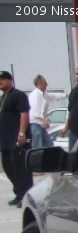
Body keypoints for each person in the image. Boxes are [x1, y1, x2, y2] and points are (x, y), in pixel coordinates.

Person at [0, 70, 33, 207]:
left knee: (21, 169)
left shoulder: (18, 95)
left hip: (17, 139)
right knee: (9, 168)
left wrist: (21, 133)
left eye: (3, 79)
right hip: (5, 141)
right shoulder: (3, 97)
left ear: (10, 80)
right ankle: (19, 193)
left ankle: (25, 196)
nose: (1, 82)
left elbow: (24, 114)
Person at [28, 74, 54, 149]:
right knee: (38, 144)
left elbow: (53, 96)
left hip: (39, 123)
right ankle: (36, 158)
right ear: (40, 83)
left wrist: (65, 95)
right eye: (45, 83)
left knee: (48, 144)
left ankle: (46, 158)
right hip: (36, 123)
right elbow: (35, 110)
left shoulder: (43, 94)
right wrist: (44, 121)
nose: (46, 85)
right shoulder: (35, 94)